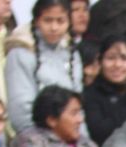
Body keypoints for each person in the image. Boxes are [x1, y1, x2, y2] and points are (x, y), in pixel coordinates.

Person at [6, 0, 83, 135]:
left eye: (60, 21)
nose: (54, 27)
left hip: (70, 138)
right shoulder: (20, 53)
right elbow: (20, 111)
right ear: (36, 21)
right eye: (48, 20)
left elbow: (78, 108)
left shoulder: (72, 54)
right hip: (35, 139)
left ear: (69, 22)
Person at [82, 36, 126, 147]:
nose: (117, 65)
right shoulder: (89, 95)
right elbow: (100, 133)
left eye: (124, 58)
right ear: (100, 62)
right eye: (110, 58)